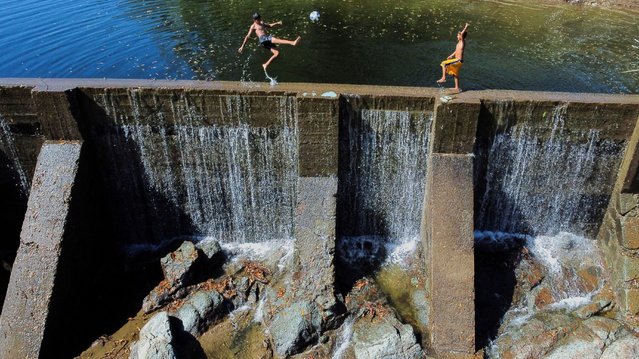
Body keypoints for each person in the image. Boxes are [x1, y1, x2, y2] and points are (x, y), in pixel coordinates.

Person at [437, 23, 469, 93]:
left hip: (458, 60)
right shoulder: (458, 44)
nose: (457, 36)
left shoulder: (462, 42)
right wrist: (451, 55)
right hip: (457, 60)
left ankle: (443, 78)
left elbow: (462, 34)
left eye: (458, 35)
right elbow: (456, 51)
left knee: (444, 64)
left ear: (461, 36)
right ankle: (457, 88)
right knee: (455, 74)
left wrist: (465, 27)